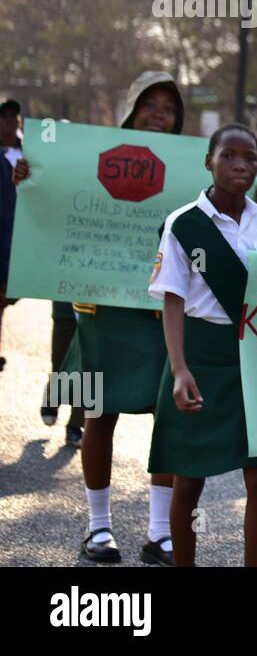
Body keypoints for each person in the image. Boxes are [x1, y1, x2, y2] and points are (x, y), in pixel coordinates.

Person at [26, 73, 185, 565]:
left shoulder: (190, 173)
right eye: (149, 104)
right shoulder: (95, 156)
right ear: (131, 108)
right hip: (103, 310)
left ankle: (160, 533)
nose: (159, 114)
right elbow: (53, 196)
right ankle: (98, 529)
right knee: (99, 413)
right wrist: (28, 177)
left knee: (170, 418)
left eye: (168, 107)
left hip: (164, 313)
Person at [147, 124, 257, 566]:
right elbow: (172, 301)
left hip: (252, 358)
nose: (240, 165)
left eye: (249, 158)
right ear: (208, 161)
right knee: (189, 478)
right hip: (200, 355)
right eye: (229, 156)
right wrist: (179, 368)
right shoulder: (183, 223)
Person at [41, 302, 85, 447]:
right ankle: (52, 398)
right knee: (61, 361)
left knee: (90, 370)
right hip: (66, 307)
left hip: (99, 309)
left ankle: (76, 425)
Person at [0, 97, 21, 372]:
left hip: (17, 239)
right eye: (4, 117)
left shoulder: (27, 153)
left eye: (14, 117)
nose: (9, 122)